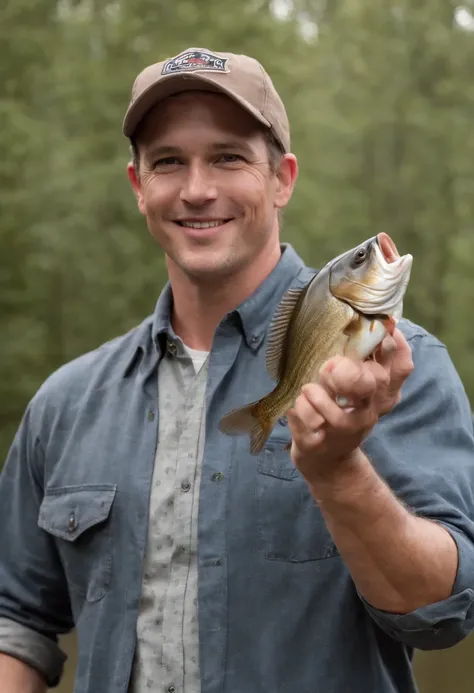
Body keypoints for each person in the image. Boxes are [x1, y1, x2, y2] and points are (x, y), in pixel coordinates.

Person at [0, 46, 473, 693]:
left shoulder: (393, 369)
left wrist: (337, 471)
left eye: (228, 156)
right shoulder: (65, 404)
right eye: (169, 162)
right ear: (139, 187)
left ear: (283, 177)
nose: (198, 189)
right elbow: (16, 618)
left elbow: (442, 612)